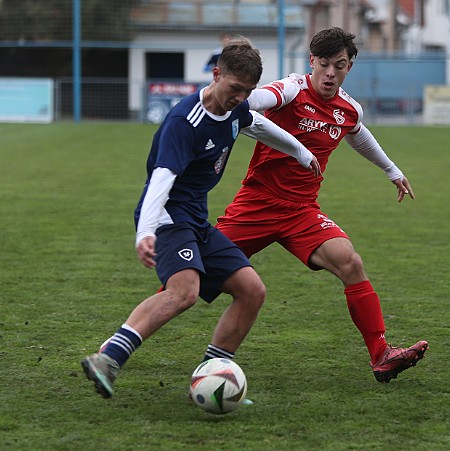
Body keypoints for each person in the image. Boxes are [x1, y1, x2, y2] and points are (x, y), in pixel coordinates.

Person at [81, 37, 321, 399]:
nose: (239, 97)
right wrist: (145, 231)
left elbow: (255, 123)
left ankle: (215, 374)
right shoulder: (185, 121)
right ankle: (108, 358)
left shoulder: (235, 108)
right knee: (184, 292)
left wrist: (301, 152)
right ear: (216, 74)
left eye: (247, 91)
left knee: (251, 290)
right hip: (166, 215)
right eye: (235, 88)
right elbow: (162, 177)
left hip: (195, 218)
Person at [216, 27, 428, 383]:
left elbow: (358, 133)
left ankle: (381, 354)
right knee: (190, 278)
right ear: (311, 61)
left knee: (351, 262)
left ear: (350, 66)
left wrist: (393, 171)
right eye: (324, 64)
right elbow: (249, 106)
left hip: (301, 212)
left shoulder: (348, 108)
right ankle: (122, 344)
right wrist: (292, 144)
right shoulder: (289, 89)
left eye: (340, 66)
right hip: (257, 205)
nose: (330, 73)